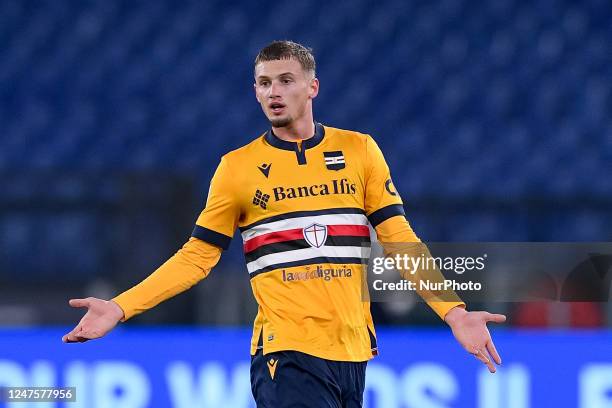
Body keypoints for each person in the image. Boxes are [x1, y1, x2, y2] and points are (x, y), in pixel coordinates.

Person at [63, 40, 506, 407]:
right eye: (263, 83)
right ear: (255, 92)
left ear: (312, 87)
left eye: (285, 80)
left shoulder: (360, 151)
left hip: (353, 354)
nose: (274, 91)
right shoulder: (237, 169)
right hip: (285, 354)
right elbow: (196, 257)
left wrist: (453, 311)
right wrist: (121, 307)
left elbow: (399, 239)